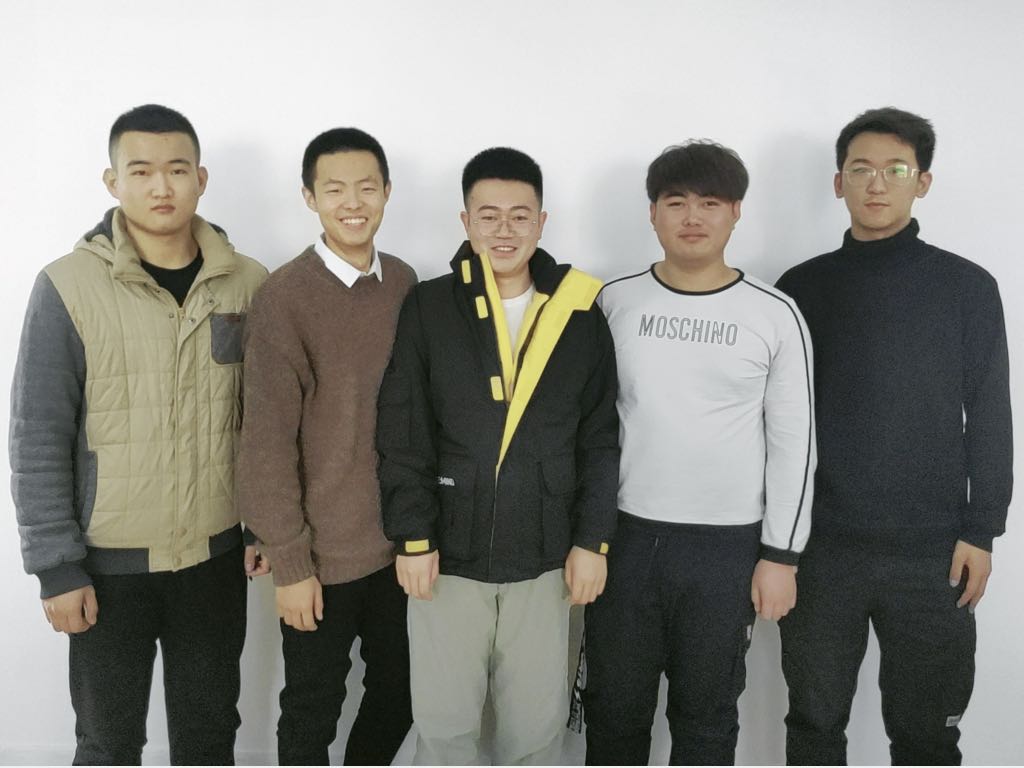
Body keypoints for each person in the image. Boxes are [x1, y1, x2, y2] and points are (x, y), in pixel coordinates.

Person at [9, 104, 267, 764]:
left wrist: (264, 526)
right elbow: (37, 435)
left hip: (213, 562)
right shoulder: (68, 286)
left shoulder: (247, 284)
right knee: (108, 743)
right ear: (113, 181)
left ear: (201, 179)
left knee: (210, 738)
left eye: (177, 170)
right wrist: (56, 568)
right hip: (106, 567)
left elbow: (265, 421)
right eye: (142, 171)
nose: (161, 187)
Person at [775, 107, 1013, 765]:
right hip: (823, 551)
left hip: (933, 554)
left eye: (896, 170)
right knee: (814, 726)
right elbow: (779, 422)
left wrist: (983, 529)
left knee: (927, 738)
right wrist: (778, 544)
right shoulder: (800, 289)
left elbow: (989, 412)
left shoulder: (967, 288)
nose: (876, 184)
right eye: (861, 170)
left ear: (923, 182)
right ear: (838, 182)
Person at [376, 147, 619, 764]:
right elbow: (405, 433)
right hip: (446, 558)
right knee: (444, 728)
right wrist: (412, 538)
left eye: (519, 216)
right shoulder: (430, 306)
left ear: (542, 222)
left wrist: (592, 541)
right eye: (488, 216)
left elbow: (599, 438)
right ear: (466, 222)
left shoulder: (579, 312)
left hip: (546, 558)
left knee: (536, 733)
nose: (503, 230)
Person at [582, 140, 815, 765]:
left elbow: (795, 442)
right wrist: (585, 538)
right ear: (652, 213)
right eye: (676, 201)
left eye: (710, 202)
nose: (692, 216)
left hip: (725, 549)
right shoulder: (612, 302)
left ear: (735, 212)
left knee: (707, 719)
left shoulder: (775, 314)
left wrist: (781, 556)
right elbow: (586, 427)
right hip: (625, 541)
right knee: (613, 710)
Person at [237, 127, 416, 765]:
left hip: (399, 549)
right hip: (320, 556)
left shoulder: (403, 282)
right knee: (312, 708)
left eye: (367, 187)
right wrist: (290, 563)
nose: (353, 203)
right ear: (310, 198)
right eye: (334, 189)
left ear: (387, 192)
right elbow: (264, 442)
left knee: (401, 693)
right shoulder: (285, 296)